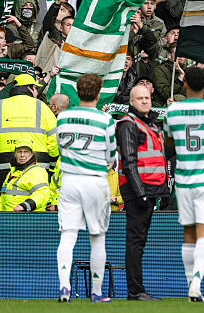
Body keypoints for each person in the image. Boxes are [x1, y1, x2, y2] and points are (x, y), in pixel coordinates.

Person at [163, 66, 204, 302]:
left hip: (184, 178)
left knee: (188, 234)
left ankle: (192, 283)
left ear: (184, 85)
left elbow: (168, 142)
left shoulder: (172, 111)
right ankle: (197, 283)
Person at [55, 74, 117, 303]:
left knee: (67, 236)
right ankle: (97, 292)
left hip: (70, 180)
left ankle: (64, 288)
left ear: (78, 92)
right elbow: (111, 155)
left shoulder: (63, 117)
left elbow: (61, 149)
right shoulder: (105, 119)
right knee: (97, 238)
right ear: (98, 92)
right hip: (94, 181)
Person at [116, 83, 168, 301]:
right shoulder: (128, 124)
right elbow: (129, 162)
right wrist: (140, 194)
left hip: (149, 190)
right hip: (138, 191)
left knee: (140, 241)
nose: (145, 101)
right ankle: (135, 290)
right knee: (135, 241)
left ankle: (137, 290)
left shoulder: (152, 125)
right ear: (131, 101)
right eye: (140, 99)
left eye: (147, 98)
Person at [0, 73, 57, 185]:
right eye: (35, 88)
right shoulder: (41, 107)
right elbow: (54, 140)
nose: (36, 92)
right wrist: (53, 166)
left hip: (3, 165)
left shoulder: (1, 105)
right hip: (37, 166)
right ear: (28, 88)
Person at [0, 140, 49, 212]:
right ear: (15, 154)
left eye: (26, 152)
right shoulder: (13, 171)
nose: (22, 155)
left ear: (31, 154)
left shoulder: (36, 171)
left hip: (26, 218)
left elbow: (42, 193)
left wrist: (24, 206)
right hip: (9, 218)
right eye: (19, 152)